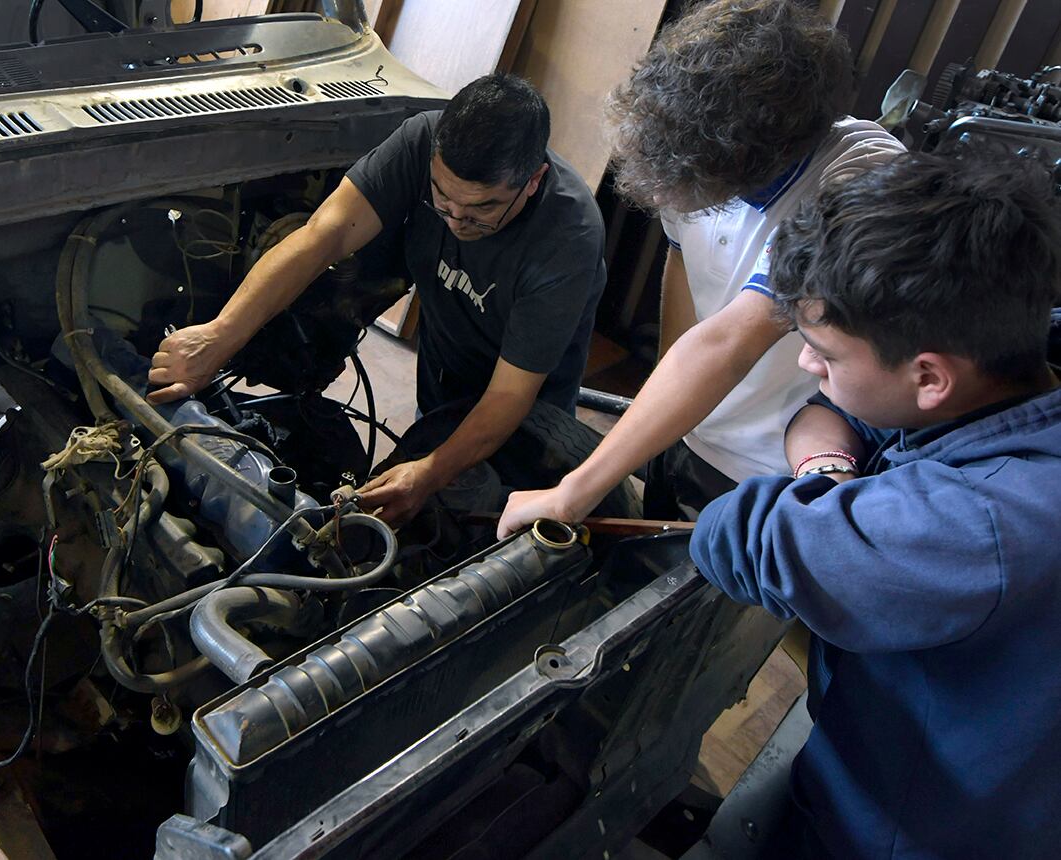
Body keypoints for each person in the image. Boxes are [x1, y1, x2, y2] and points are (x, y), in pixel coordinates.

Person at [691, 151, 1061, 859]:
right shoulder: (1002, 367)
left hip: (905, 829)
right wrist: (832, 471)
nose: (808, 365)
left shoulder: (979, 528)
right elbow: (834, 418)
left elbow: (733, 533)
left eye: (824, 353)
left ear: (929, 376)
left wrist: (818, 499)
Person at [498, 0, 905, 537]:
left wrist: (573, 493)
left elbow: (732, 340)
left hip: (775, 469)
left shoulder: (860, 178)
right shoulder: (692, 149)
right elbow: (684, 258)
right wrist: (663, 404)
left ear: (749, 157)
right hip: (692, 430)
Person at [148, 74, 606, 526]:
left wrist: (428, 472)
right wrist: (219, 335)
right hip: (445, 368)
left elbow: (509, 395)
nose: (456, 221)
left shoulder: (568, 238)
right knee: (426, 449)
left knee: (480, 522)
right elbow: (320, 238)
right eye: (442, 198)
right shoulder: (421, 139)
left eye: (482, 209)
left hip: (525, 411)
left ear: (533, 180)